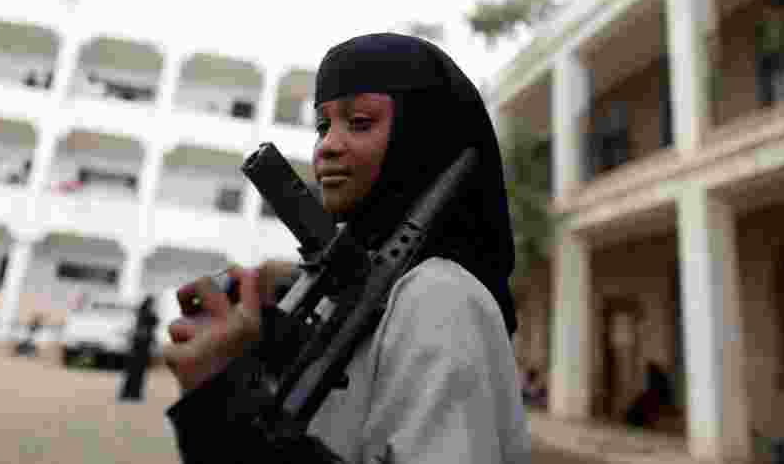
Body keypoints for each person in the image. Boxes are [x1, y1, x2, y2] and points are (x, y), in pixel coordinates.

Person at [162, 33, 531, 463]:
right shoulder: (363, 287)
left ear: (419, 137)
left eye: (359, 122)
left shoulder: (440, 296)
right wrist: (249, 353)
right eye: (323, 126)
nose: (327, 146)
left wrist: (224, 413)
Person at [119, 295, 159, 401]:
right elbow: (150, 331)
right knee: (138, 371)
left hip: (138, 345)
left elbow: (140, 330)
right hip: (142, 346)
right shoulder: (148, 315)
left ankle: (128, 393)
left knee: (133, 370)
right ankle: (134, 393)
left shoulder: (140, 314)